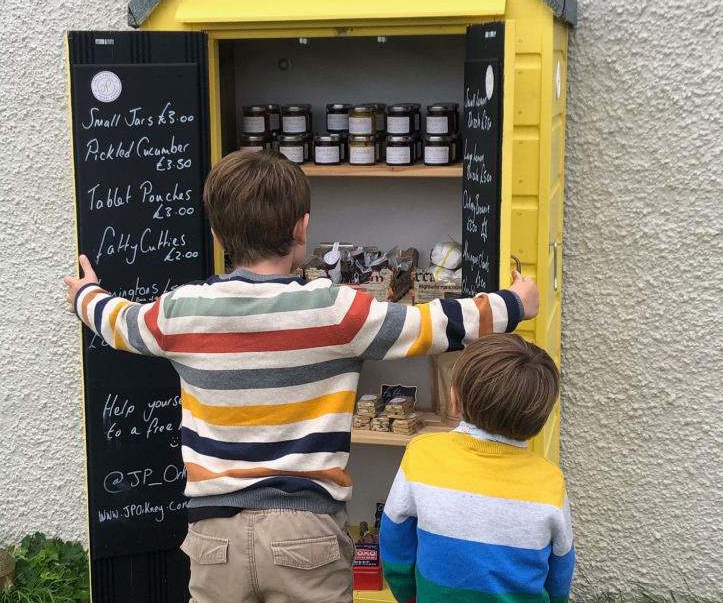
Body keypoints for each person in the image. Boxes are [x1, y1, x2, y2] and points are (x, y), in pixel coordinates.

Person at [64, 150, 539, 603]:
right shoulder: (334, 309)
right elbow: (432, 325)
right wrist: (514, 303)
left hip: (214, 537)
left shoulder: (181, 311)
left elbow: (118, 321)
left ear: (217, 235)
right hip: (306, 535)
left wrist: (85, 294)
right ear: (302, 229)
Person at [379, 334, 574, 603]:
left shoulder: (422, 455)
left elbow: (394, 542)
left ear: (454, 399)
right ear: (539, 418)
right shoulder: (550, 481)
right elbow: (560, 572)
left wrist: (410, 596)